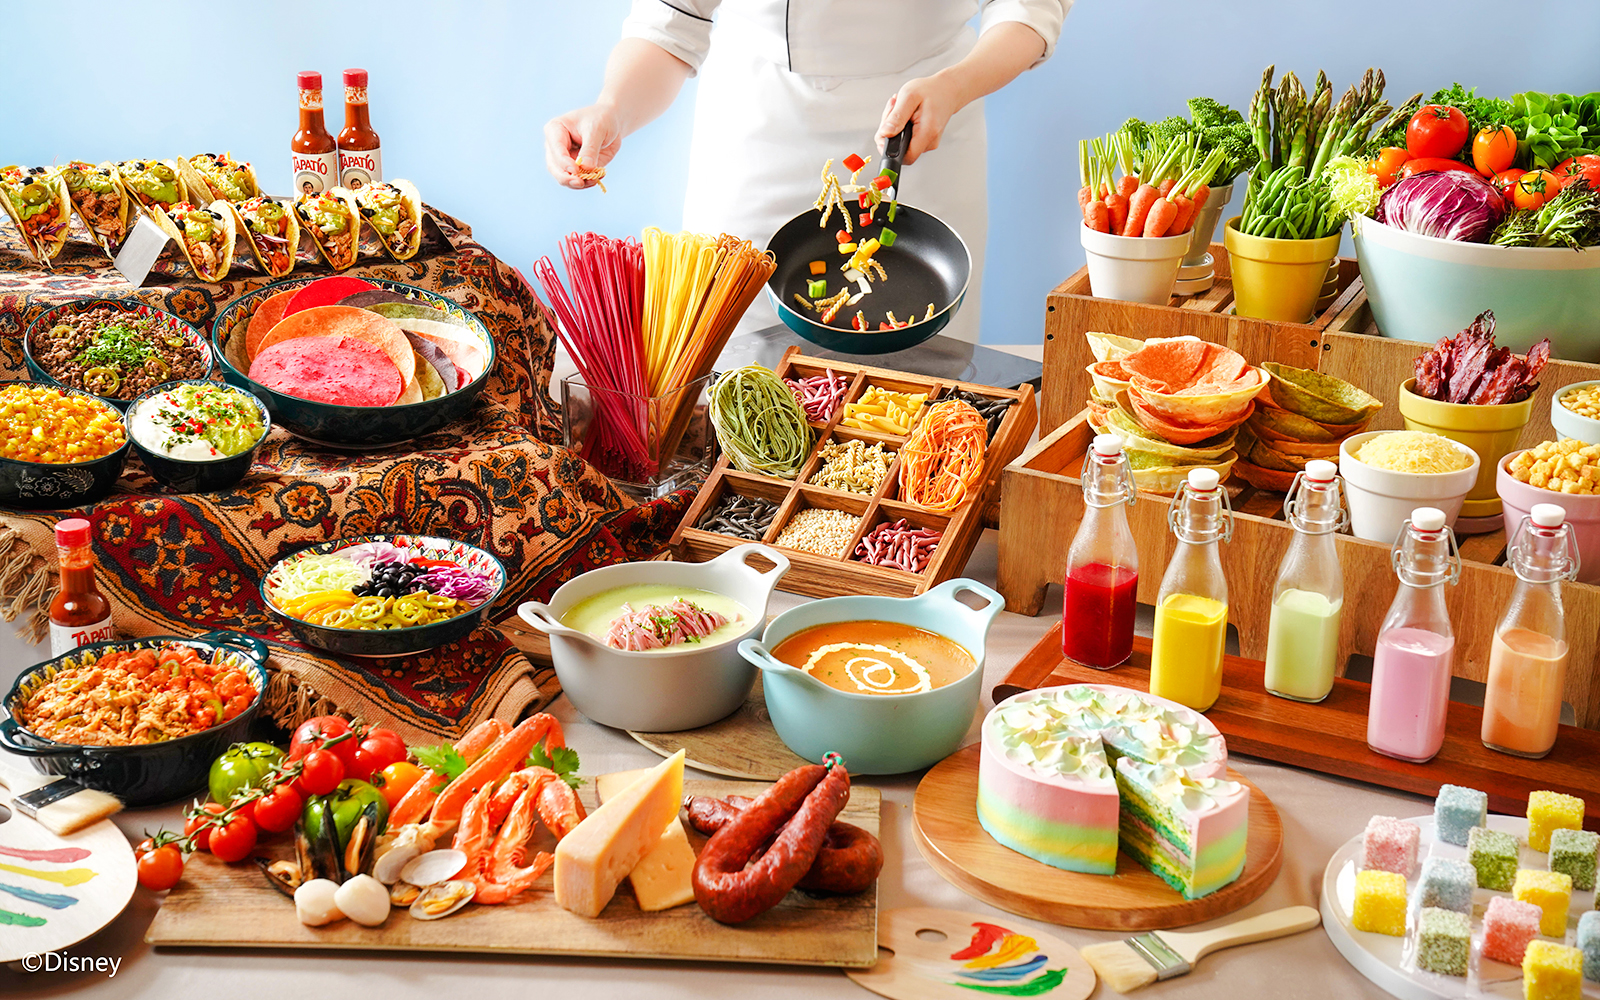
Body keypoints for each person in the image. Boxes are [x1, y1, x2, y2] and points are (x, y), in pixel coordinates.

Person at [545, 0, 1071, 344]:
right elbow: (669, 23)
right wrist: (612, 107)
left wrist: (955, 86)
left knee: (915, 369)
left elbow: (1030, 5)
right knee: (731, 365)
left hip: (928, 112)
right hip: (757, 124)